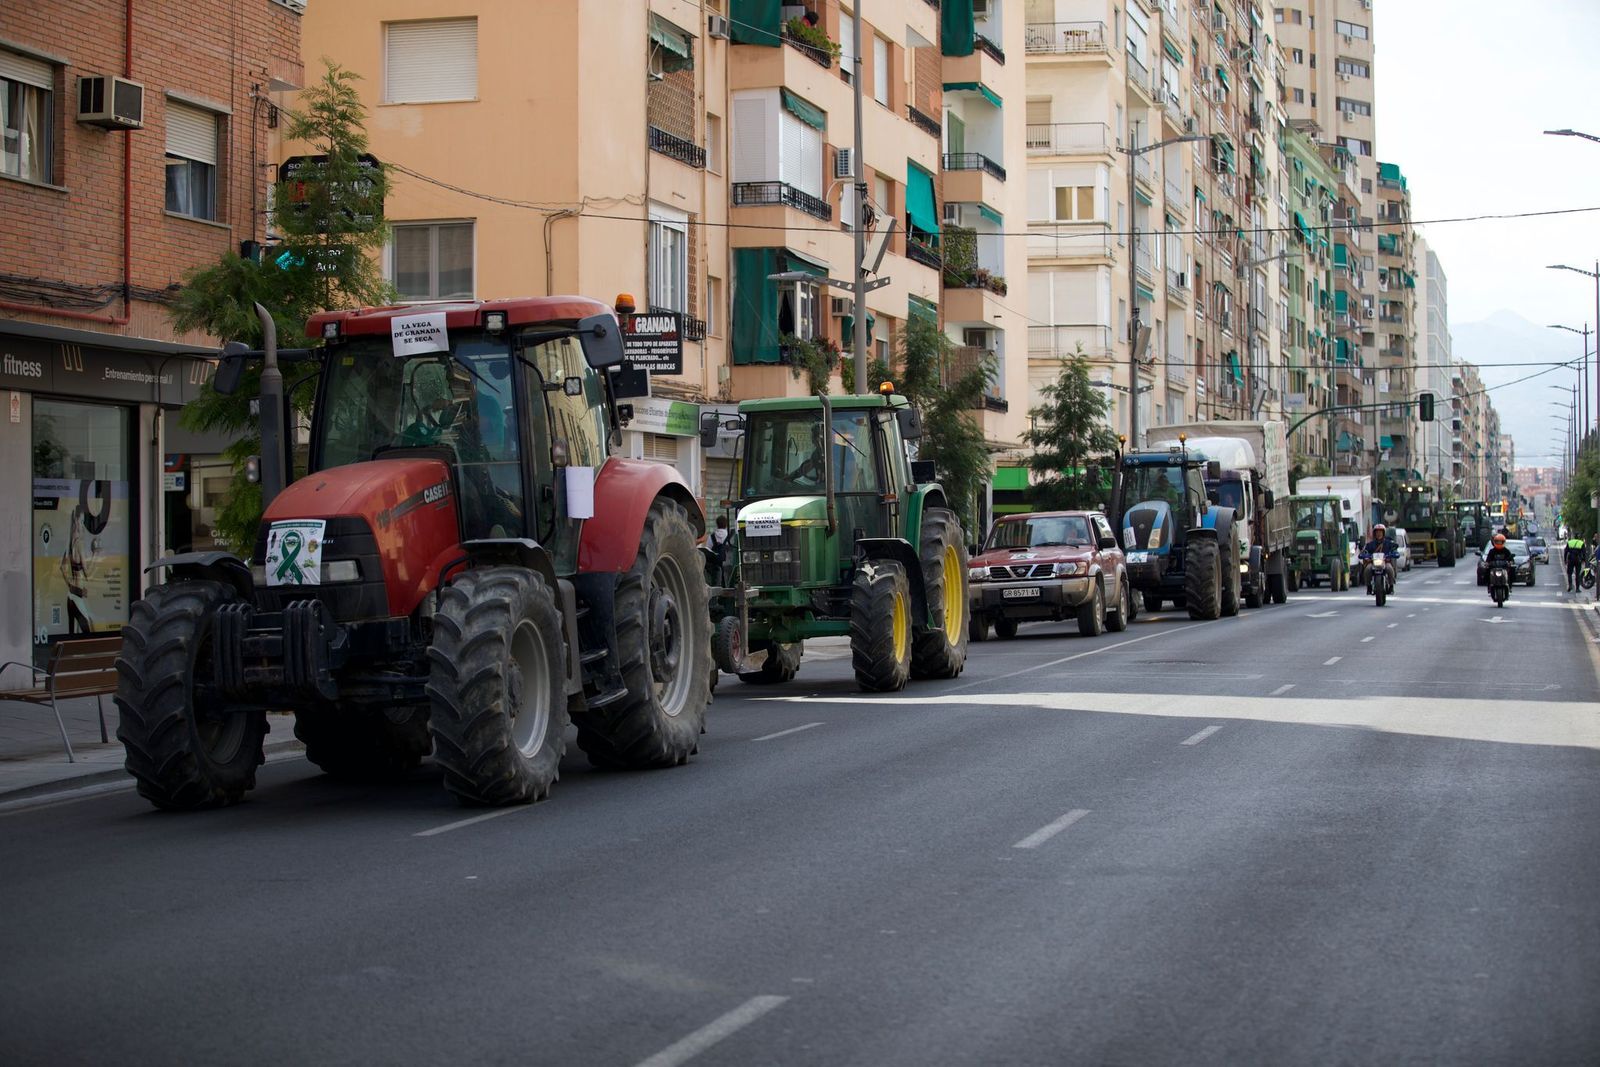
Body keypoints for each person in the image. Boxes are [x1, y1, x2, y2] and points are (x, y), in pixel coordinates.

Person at [1360, 523, 1399, 593]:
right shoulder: (1370, 544)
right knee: (1367, 569)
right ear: (1375, 533)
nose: (1379, 534)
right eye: (1377, 532)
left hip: (1385, 562)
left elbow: (1394, 549)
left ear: (1383, 533)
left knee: (1390, 569)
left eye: (1380, 532)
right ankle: (1369, 587)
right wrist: (1364, 555)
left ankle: (1391, 586)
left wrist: (1394, 553)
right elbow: (1365, 551)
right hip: (1373, 563)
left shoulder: (1388, 543)